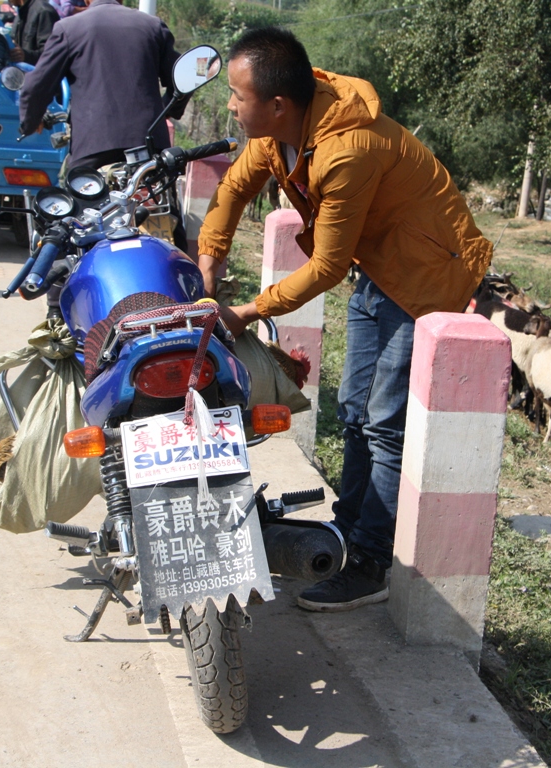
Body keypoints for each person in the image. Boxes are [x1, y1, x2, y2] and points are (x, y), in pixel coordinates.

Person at [196, 27, 494, 612]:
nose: (230, 104)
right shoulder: (282, 132)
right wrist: (208, 260)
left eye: (237, 94)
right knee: (353, 411)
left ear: (277, 104)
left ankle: (369, 563)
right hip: (380, 265)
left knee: (382, 421)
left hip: (426, 272)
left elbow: (328, 266)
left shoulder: (346, 149)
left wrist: (246, 312)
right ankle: (348, 531)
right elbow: (233, 190)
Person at [18, 0, 183, 172]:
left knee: (78, 192)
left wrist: (30, 122)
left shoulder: (69, 28)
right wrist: (167, 109)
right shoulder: (152, 25)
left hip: (93, 146)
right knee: (158, 195)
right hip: (149, 144)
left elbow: (37, 84)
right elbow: (183, 76)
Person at [8, 0, 59, 66]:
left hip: (38, 74)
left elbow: (52, 53)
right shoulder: (21, 13)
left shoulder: (44, 12)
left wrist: (25, 56)